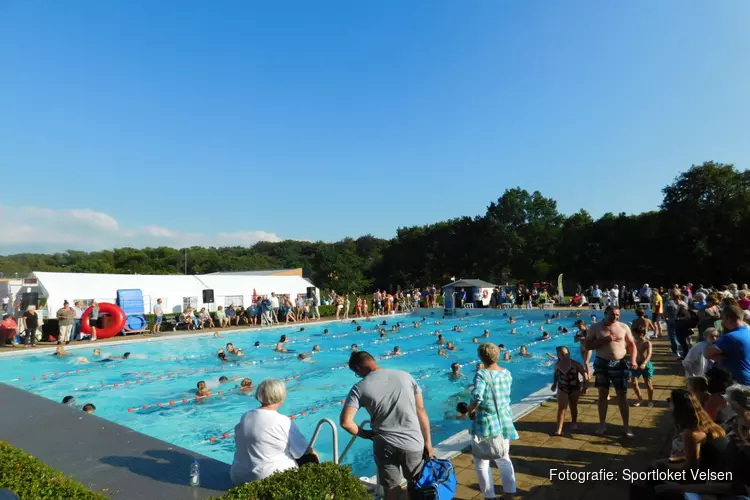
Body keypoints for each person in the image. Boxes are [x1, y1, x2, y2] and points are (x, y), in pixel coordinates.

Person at [340, 351, 434, 500]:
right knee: (416, 484)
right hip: (413, 442)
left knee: (391, 488)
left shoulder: (359, 388)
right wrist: (428, 442)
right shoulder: (405, 376)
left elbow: (346, 423)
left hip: (384, 445)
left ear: (358, 368)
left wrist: (367, 434)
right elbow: (421, 410)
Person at [230, 379, 316, 485]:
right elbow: (304, 450)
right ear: (281, 397)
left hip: (239, 475)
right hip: (267, 478)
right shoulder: (283, 421)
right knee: (311, 456)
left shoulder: (246, 416)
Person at [468, 343, 518, 500]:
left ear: (482, 357)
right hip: (504, 421)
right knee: (503, 458)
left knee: (481, 462)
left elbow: (477, 396)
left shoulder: (482, 374)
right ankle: (509, 494)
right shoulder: (506, 373)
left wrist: (471, 409)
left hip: (486, 424)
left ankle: (489, 496)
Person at [585, 306, 637, 437]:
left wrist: (633, 360)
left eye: (618, 315)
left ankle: (626, 427)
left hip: (620, 363)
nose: (616, 317)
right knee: (603, 394)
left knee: (622, 394)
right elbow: (587, 346)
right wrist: (604, 340)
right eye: (613, 315)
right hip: (602, 363)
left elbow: (631, 344)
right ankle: (602, 425)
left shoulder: (624, 327)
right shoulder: (595, 328)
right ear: (605, 313)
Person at [705, 304, 750, 386]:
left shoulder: (730, 337)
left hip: (739, 383)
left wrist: (722, 357)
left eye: (722, 318)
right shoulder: (748, 332)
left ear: (727, 318)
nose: (722, 322)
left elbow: (707, 354)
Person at [550, 346, 588, 436]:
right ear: (558, 355)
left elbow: (584, 374)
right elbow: (556, 375)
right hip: (562, 389)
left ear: (569, 354)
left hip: (574, 388)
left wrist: (585, 387)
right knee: (561, 409)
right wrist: (554, 384)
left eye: (566, 354)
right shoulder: (557, 365)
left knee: (573, 406)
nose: (564, 356)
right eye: (562, 354)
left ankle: (574, 423)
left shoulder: (575, 364)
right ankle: (559, 429)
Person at [630, 326, 654, 407]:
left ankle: (650, 400)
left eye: (634, 334)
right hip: (636, 364)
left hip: (645, 364)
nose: (633, 335)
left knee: (648, 383)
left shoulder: (647, 343)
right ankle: (640, 398)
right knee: (633, 382)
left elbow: (649, 354)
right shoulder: (634, 342)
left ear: (641, 334)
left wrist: (644, 363)